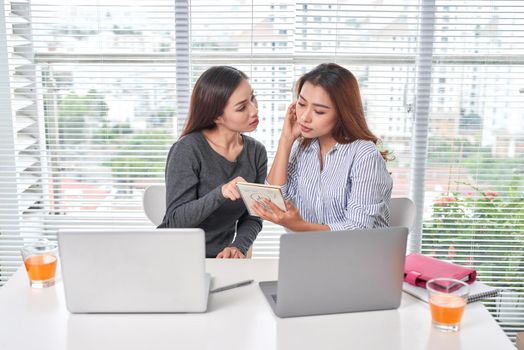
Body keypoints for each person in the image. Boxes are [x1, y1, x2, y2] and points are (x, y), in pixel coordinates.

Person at [252, 63, 392, 232]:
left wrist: (300, 226)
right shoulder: (302, 147)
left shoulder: (364, 154)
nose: (304, 117)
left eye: (319, 111)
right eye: (302, 104)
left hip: (360, 254)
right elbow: (273, 202)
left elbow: (358, 229)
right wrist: (286, 140)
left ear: (342, 113)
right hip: (314, 252)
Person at [158, 66, 267, 258]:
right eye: (242, 107)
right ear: (217, 116)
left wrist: (238, 246)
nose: (254, 109)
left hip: (218, 261)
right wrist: (221, 193)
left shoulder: (256, 152)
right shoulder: (188, 149)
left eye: (253, 98)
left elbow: (253, 215)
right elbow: (176, 221)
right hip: (173, 257)